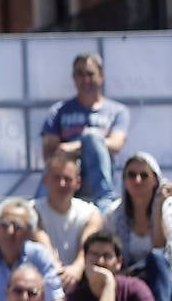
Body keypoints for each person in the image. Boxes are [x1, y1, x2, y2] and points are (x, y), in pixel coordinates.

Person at [41, 53, 128, 207]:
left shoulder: (117, 111)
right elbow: (49, 153)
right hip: (67, 176)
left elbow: (116, 144)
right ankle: (38, 209)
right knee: (54, 170)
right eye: (79, 74)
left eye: (90, 74)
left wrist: (78, 145)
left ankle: (105, 200)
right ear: (73, 78)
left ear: (101, 76)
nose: (85, 80)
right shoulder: (58, 111)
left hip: (98, 177)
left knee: (92, 136)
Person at [104, 152, 172, 301]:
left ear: (155, 180)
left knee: (155, 258)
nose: (137, 180)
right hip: (130, 276)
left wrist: (157, 206)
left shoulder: (170, 207)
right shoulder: (114, 213)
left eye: (144, 175)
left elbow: (160, 245)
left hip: (165, 275)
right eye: (131, 175)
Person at [34, 151, 104, 301]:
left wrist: (77, 268)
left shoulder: (91, 213)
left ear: (78, 182)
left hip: (80, 284)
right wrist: (59, 273)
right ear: (45, 181)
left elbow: (86, 246)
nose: (62, 184)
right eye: (56, 178)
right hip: (44, 286)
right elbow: (42, 241)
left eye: (67, 179)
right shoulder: (33, 211)